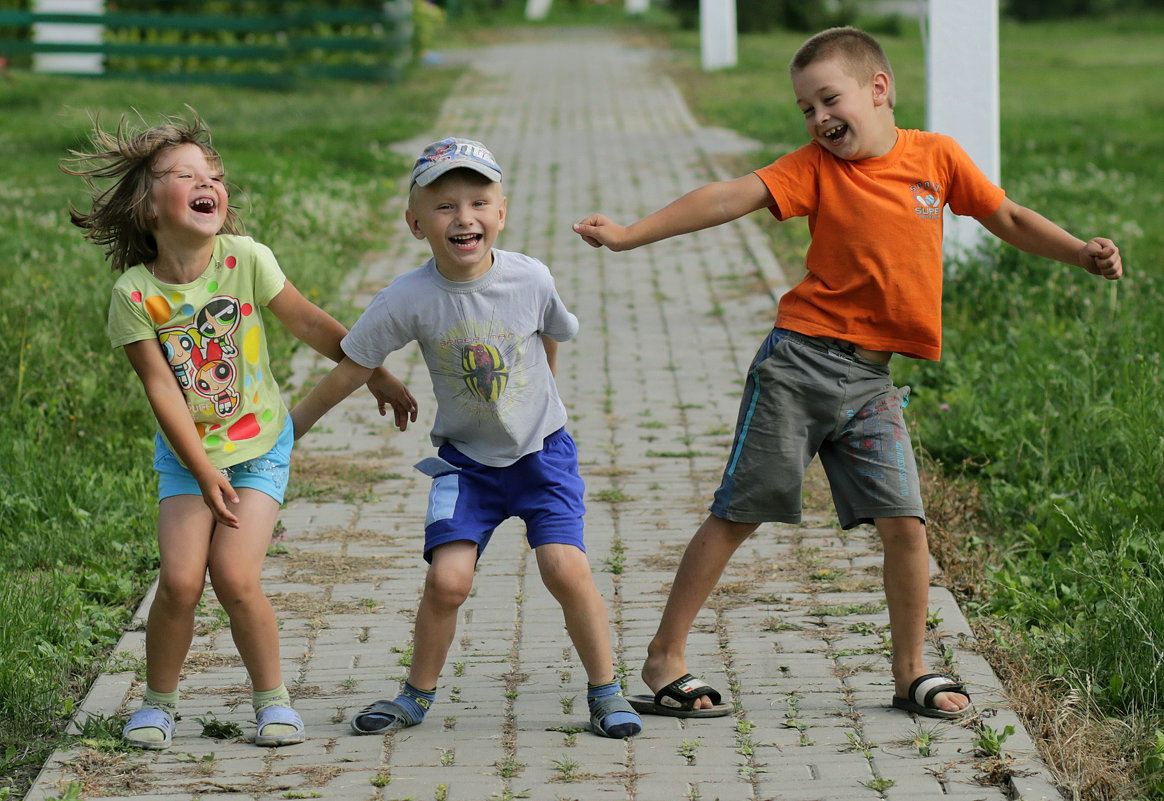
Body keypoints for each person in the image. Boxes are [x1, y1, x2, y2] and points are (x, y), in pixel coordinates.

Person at [573, 26, 1123, 720]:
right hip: (798, 366)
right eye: (805, 108)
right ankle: (664, 655)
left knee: (906, 524)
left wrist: (1079, 252)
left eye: (829, 99)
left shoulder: (937, 158)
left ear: (879, 90)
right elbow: (726, 196)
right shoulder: (814, 168)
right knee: (740, 512)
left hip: (870, 383)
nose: (818, 118)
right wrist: (628, 234)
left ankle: (910, 671)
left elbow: (1006, 214)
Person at [64, 111, 418, 750]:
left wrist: (376, 374)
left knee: (234, 576)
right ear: (147, 208)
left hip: (259, 449)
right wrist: (200, 470)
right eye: (185, 175)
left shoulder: (246, 259)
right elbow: (161, 390)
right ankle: (157, 703)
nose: (208, 183)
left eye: (215, 175)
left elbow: (311, 324)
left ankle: (272, 700)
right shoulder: (134, 293)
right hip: (187, 456)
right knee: (177, 582)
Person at [291, 137, 643, 739]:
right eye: (445, 205)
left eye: (479, 202)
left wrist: (546, 400)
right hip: (465, 466)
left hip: (542, 455)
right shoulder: (408, 297)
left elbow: (550, 333)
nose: (464, 217)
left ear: (500, 214)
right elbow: (352, 366)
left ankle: (606, 691)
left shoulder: (530, 276)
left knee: (563, 568)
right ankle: (415, 696)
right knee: (447, 581)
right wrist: (285, 436)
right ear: (415, 223)